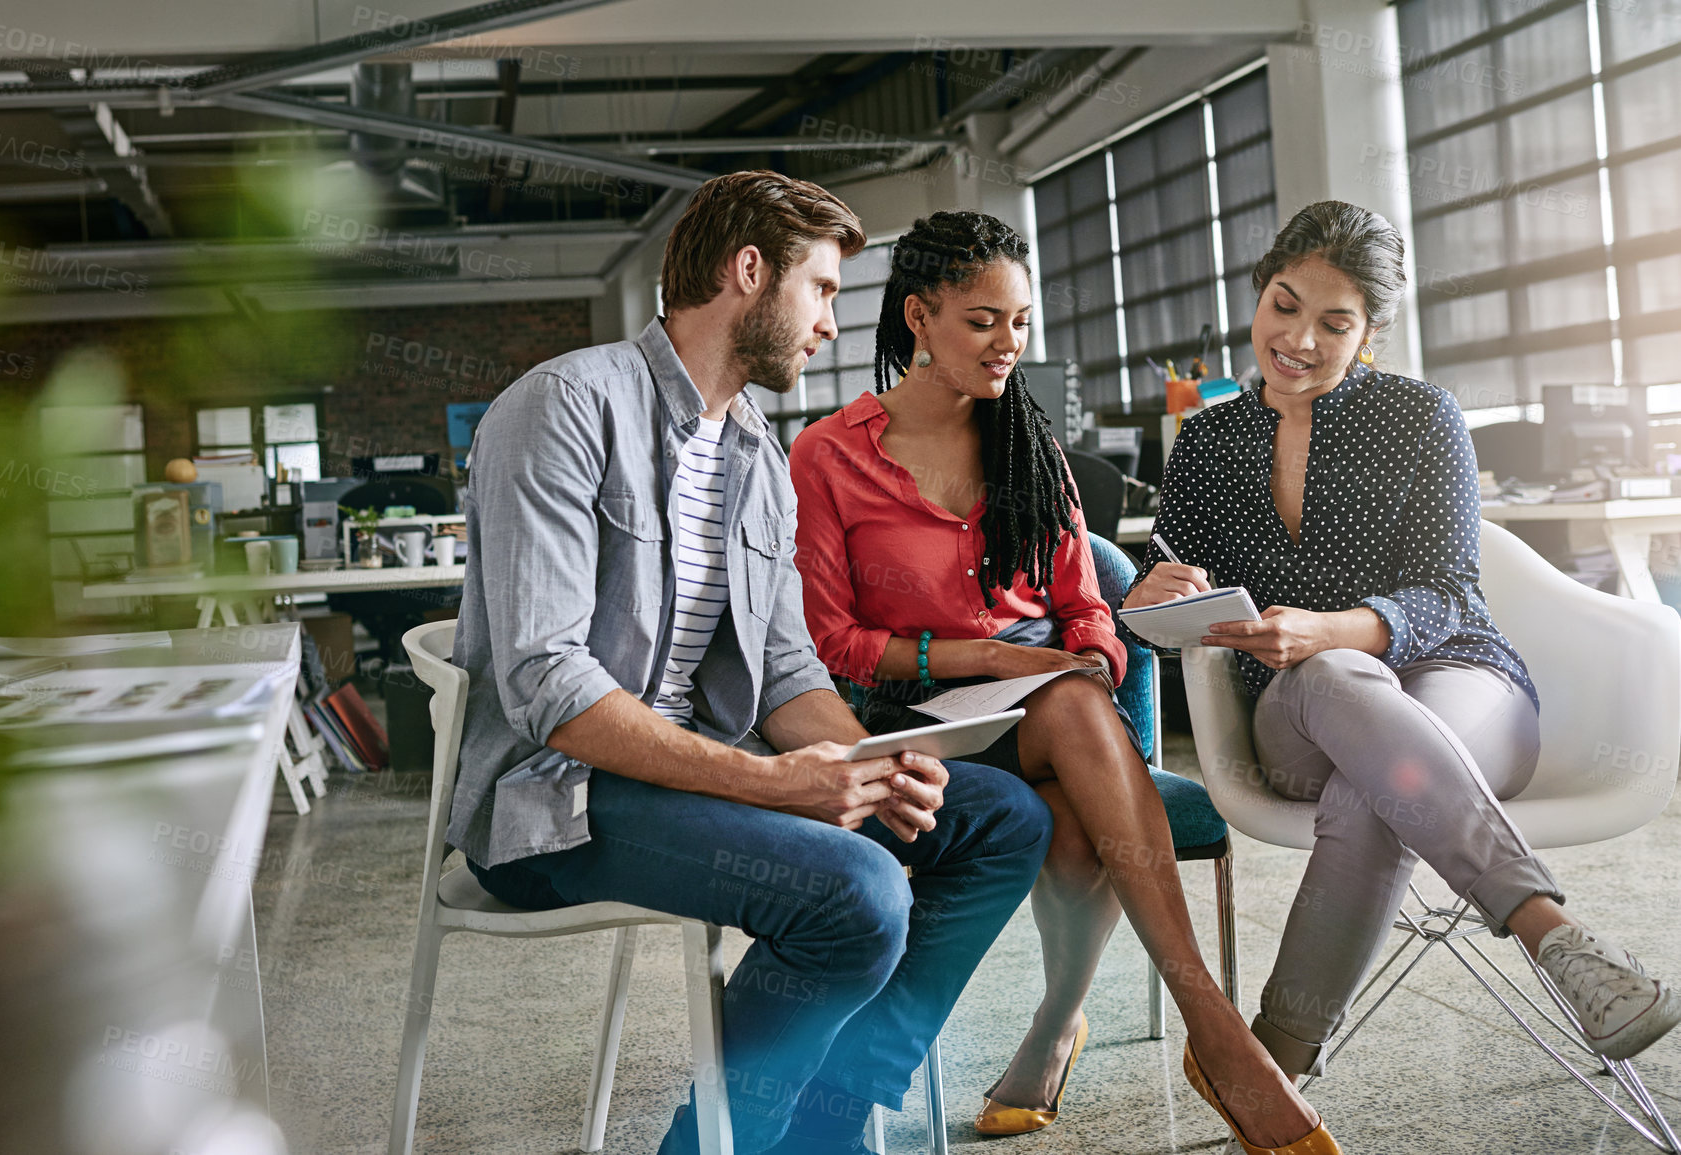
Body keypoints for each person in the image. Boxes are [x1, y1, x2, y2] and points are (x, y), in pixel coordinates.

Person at [445, 171, 1055, 1155]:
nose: (829, 323)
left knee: (998, 821)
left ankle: (827, 1120)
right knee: (857, 896)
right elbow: (548, 688)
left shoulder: (759, 461)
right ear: (748, 271)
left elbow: (783, 674)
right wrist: (774, 784)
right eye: (820, 289)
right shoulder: (562, 407)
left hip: (699, 776)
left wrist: (862, 768)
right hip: (557, 800)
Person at [789, 210, 1338, 1155]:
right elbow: (830, 640)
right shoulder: (828, 456)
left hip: (1050, 703)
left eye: (1022, 322)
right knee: (1076, 786)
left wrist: (1087, 650)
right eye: (982, 321)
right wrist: (992, 658)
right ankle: (1212, 1037)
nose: (1009, 345)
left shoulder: (1027, 446)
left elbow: (1086, 603)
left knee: (1080, 758)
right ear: (917, 318)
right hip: (916, 716)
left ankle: (1101, 1030)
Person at [1124, 200, 1681, 1087]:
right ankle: (1549, 932)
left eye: (1333, 322)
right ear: (1258, 293)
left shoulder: (1421, 416)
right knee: (1337, 677)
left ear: (1369, 331)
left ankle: (1273, 1078)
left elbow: (1448, 591)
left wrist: (1325, 627)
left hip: (1462, 682)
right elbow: (1164, 588)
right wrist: (1149, 589)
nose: (1297, 337)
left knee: (1369, 790)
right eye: (1283, 303)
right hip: (1298, 710)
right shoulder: (1206, 441)